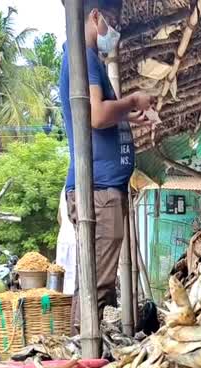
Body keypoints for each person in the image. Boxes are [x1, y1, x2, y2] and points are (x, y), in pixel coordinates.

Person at [60, 0, 154, 331]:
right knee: (96, 288)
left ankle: (87, 352)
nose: (113, 31)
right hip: (98, 189)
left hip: (103, 187)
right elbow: (97, 115)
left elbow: (99, 116)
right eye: (110, 21)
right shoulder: (83, 56)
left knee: (98, 284)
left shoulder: (86, 58)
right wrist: (131, 100)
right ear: (95, 16)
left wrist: (127, 117)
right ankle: (82, 356)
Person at [56, 189, 76, 294]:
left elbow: (59, 217)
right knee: (74, 276)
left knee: (61, 276)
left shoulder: (64, 188)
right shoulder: (80, 184)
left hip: (63, 237)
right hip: (75, 237)